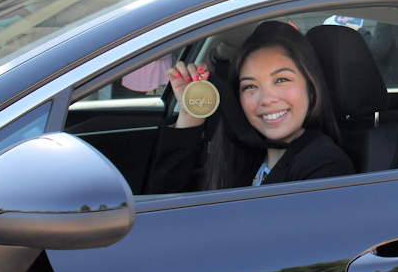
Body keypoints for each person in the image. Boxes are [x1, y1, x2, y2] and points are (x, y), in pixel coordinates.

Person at [149, 21, 354, 193]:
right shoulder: (244, 152)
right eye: (250, 86)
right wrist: (190, 114)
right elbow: (168, 211)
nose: (266, 99)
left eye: (282, 80)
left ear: (311, 87)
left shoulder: (325, 166)